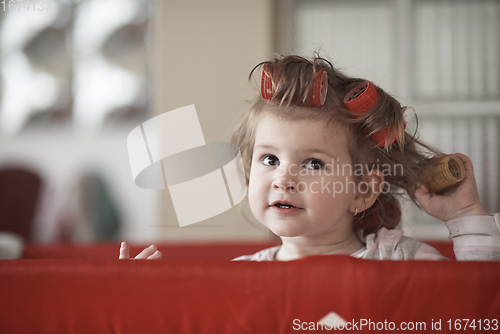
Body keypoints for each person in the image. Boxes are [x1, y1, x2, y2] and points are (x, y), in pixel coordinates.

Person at [120, 55, 499, 261]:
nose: (283, 179)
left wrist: (464, 217)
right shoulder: (242, 277)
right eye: (269, 160)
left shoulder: (401, 259)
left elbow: (476, 305)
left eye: (313, 164)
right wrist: (152, 296)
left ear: (363, 190)